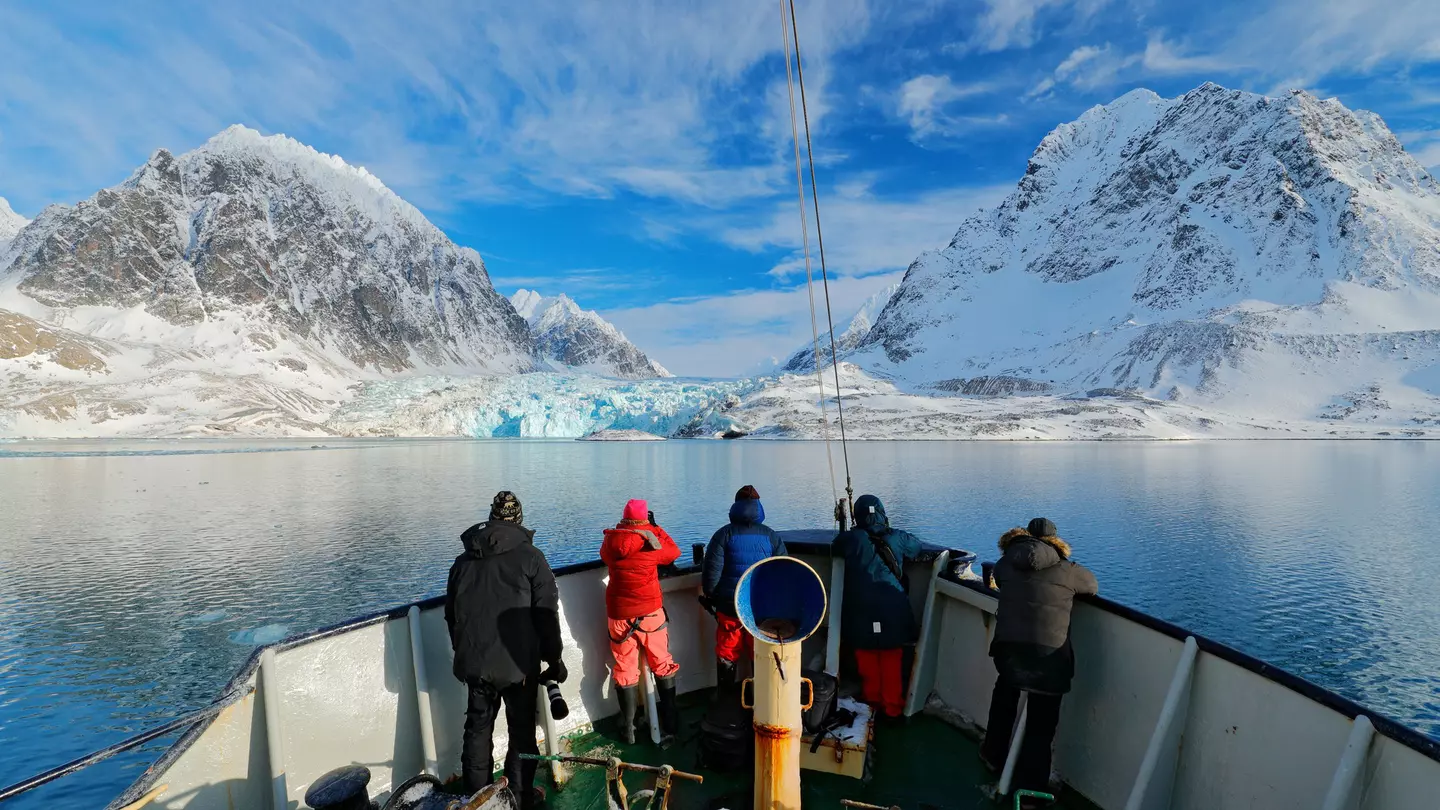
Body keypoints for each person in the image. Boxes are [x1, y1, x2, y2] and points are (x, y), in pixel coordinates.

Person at [445, 491, 566, 809]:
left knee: (477, 729)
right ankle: (520, 799)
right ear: (519, 519)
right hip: (517, 667)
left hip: (474, 663)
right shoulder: (531, 558)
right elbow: (546, 615)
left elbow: (451, 615)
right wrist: (554, 660)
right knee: (522, 732)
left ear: (493, 517)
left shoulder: (462, 561)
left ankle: (476, 801)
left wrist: (464, 651)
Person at [979, 518, 1098, 807]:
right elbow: (1092, 586)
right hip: (1049, 658)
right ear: (1056, 541)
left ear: (1025, 537)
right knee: (1040, 725)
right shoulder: (1068, 571)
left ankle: (992, 756)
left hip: (1008, 653)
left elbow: (1000, 576)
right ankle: (1031, 792)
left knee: (1004, 696)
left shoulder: (1005, 564)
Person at [600, 499, 682, 746]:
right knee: (662, 664)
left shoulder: (610, 542)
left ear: (624, 519)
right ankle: (670, 722)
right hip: (649, 615)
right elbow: (673, 553)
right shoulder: (650, 542)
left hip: (619, 615)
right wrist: (655, 529)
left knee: (625, 669)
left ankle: (629, 729)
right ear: (645, 519)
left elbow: (606, 555)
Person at [833, 494, 923, 719]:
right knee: (891, 657)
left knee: (866, 655)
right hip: (893, 609)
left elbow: (836, 547)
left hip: (862, 610)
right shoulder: (897, 538)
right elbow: (916, 547)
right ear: (882, 513)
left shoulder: (852, 539)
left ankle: (871, 705)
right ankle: (892, 708)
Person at [701, 484, 786, 690]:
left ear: (735, 506)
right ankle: (760, 703)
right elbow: (784, 571)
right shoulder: (771, 536)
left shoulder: (723, 535)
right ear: (759, 507)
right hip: (760, 609)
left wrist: (713, 596)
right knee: (759, 651)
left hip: (730, 608)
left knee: (727, 652)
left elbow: (711, 574)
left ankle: (726, 703)